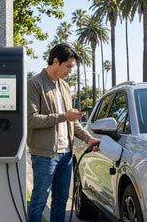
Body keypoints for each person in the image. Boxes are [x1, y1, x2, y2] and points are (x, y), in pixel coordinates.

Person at [27, 43, 101, 222]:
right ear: (55, 61)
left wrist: (88, 138)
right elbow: (31, 119)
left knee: (61, 201)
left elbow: (71, 122)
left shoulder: (65, 87)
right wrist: (63, 116)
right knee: (39, 200)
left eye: (72, 67)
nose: (70, 71)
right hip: (45, 155)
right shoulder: (35, 83)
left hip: (66, 155)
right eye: (67, 66)